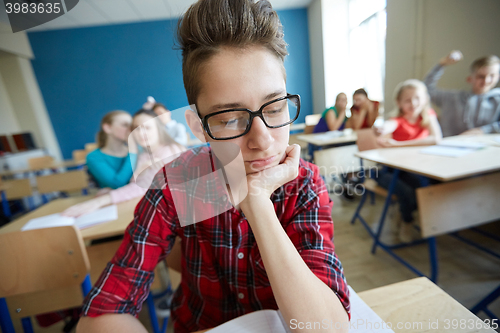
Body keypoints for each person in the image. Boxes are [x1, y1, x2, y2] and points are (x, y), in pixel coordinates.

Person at [76, 1, 350, 333]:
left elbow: (327, 329)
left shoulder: (304, 185)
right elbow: (103, 312)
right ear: (198, 127)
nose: (262, 141)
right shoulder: (177, 182)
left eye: (275, 107)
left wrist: (257, 202)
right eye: (229, 119)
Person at [63, 109, 185, 217]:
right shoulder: (144, 154)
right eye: (135, 128)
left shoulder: (168, 151)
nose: (140, 133)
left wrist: (101, 200)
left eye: (147, 127)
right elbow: (136, 183)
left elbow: (140, 187)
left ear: (159, 128)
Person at [375, 79, 442, 243]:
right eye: (407, 100)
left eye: (417, 98)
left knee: (427, 185)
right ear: (399, 102)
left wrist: (400, 144)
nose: (413, 103)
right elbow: (388, 125)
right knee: (407, 191)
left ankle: (409, 215)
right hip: (388, 171)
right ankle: (407, 221)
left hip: (416, 168)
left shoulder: (428, 116)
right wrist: (381, 128)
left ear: (425, 99)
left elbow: (436, 138)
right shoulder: (397, 120)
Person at [424, 50, 500, 136]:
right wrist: (441, 64)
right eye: (481, 76)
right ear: (470, 78)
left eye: (492, 76)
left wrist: (483, 131)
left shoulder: (497, 99)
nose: (486, 80)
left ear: (498, 77)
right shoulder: (452, 98)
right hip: (450, 146)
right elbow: (426, 90)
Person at [86, 110, 137, 190]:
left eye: (131, 125)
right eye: (125, 125)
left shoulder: (139, 151)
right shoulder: (94, 157)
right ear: (107, 128)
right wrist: (133, 151)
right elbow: (117, 184)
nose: (130, 129)